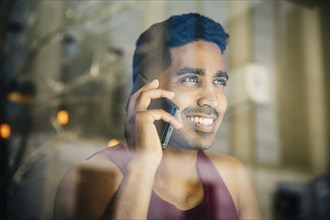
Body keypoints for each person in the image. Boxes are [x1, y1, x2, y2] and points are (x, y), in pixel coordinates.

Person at [54, 13, 263, 220]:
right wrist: (144, 162)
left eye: (219, 82)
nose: (212, 100)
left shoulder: (233, 177)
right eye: (191, 78)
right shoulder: (95, 177)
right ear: (145, 91)